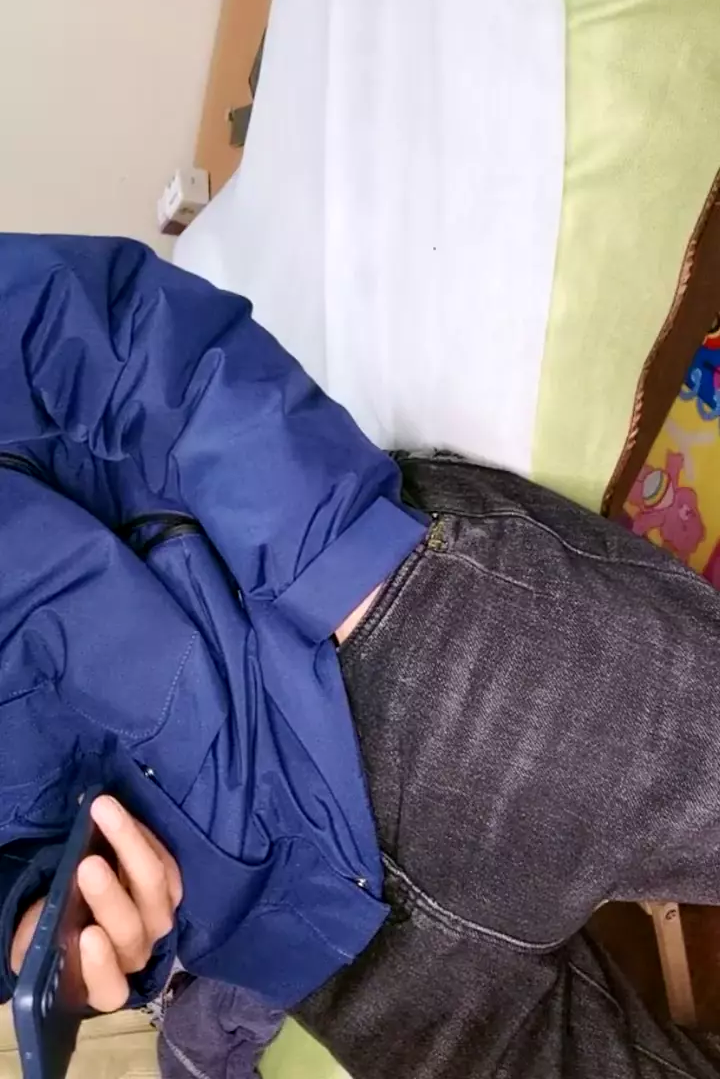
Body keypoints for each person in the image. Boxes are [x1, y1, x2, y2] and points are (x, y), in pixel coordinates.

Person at [3, 235, 720, 1079]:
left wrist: (343, 570)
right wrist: (34, 924)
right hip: (299, 937)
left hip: (399, 665)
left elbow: (91, 324)